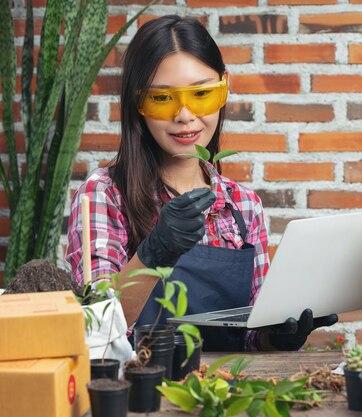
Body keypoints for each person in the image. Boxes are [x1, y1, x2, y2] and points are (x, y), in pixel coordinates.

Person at [66, 15, 337, 351]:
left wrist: (277, 335)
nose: (184, 115)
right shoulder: (104, 194)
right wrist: (155, 252)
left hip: (227, 390)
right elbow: (96, 330)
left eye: (201, 94)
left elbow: (249, 335)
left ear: (224, 88)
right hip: (141, 393)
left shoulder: (243, 205)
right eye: (162, 98)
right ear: (138, 103)